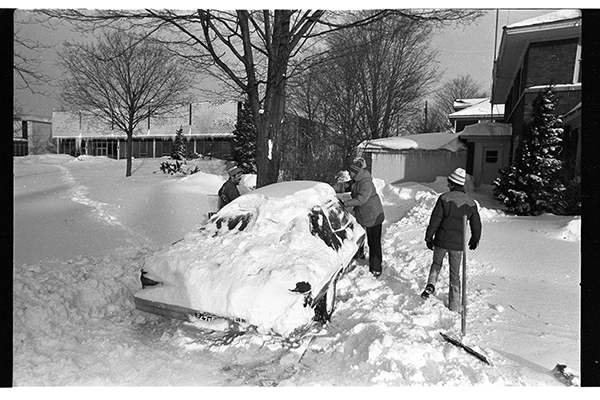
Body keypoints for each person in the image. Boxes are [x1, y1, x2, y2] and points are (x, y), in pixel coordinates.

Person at [421, 167, 482, 312]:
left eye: (449, 183)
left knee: (436, 263)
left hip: (441, 241)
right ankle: (454, 304)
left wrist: (429, 236)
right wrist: (475, 239)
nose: (447, 185)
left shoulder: (444, 198)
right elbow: (476, 224)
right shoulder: (471, 202)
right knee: (455, 274)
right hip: (458, 245)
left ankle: (431, 284)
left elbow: (435, 220)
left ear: (454, 183)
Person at [339, 158, 385, 278]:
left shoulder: (366, 183)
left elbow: (361, 199)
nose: (349, 174)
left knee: (373, 242)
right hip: (364, 215)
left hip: (373, 216)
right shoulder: (357, 180)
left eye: (351, 172)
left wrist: (345, 204)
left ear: (356, 172)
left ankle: (376, 268)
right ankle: (361, 254)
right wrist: (329, 188)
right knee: (360, 236)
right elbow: (345, 186)